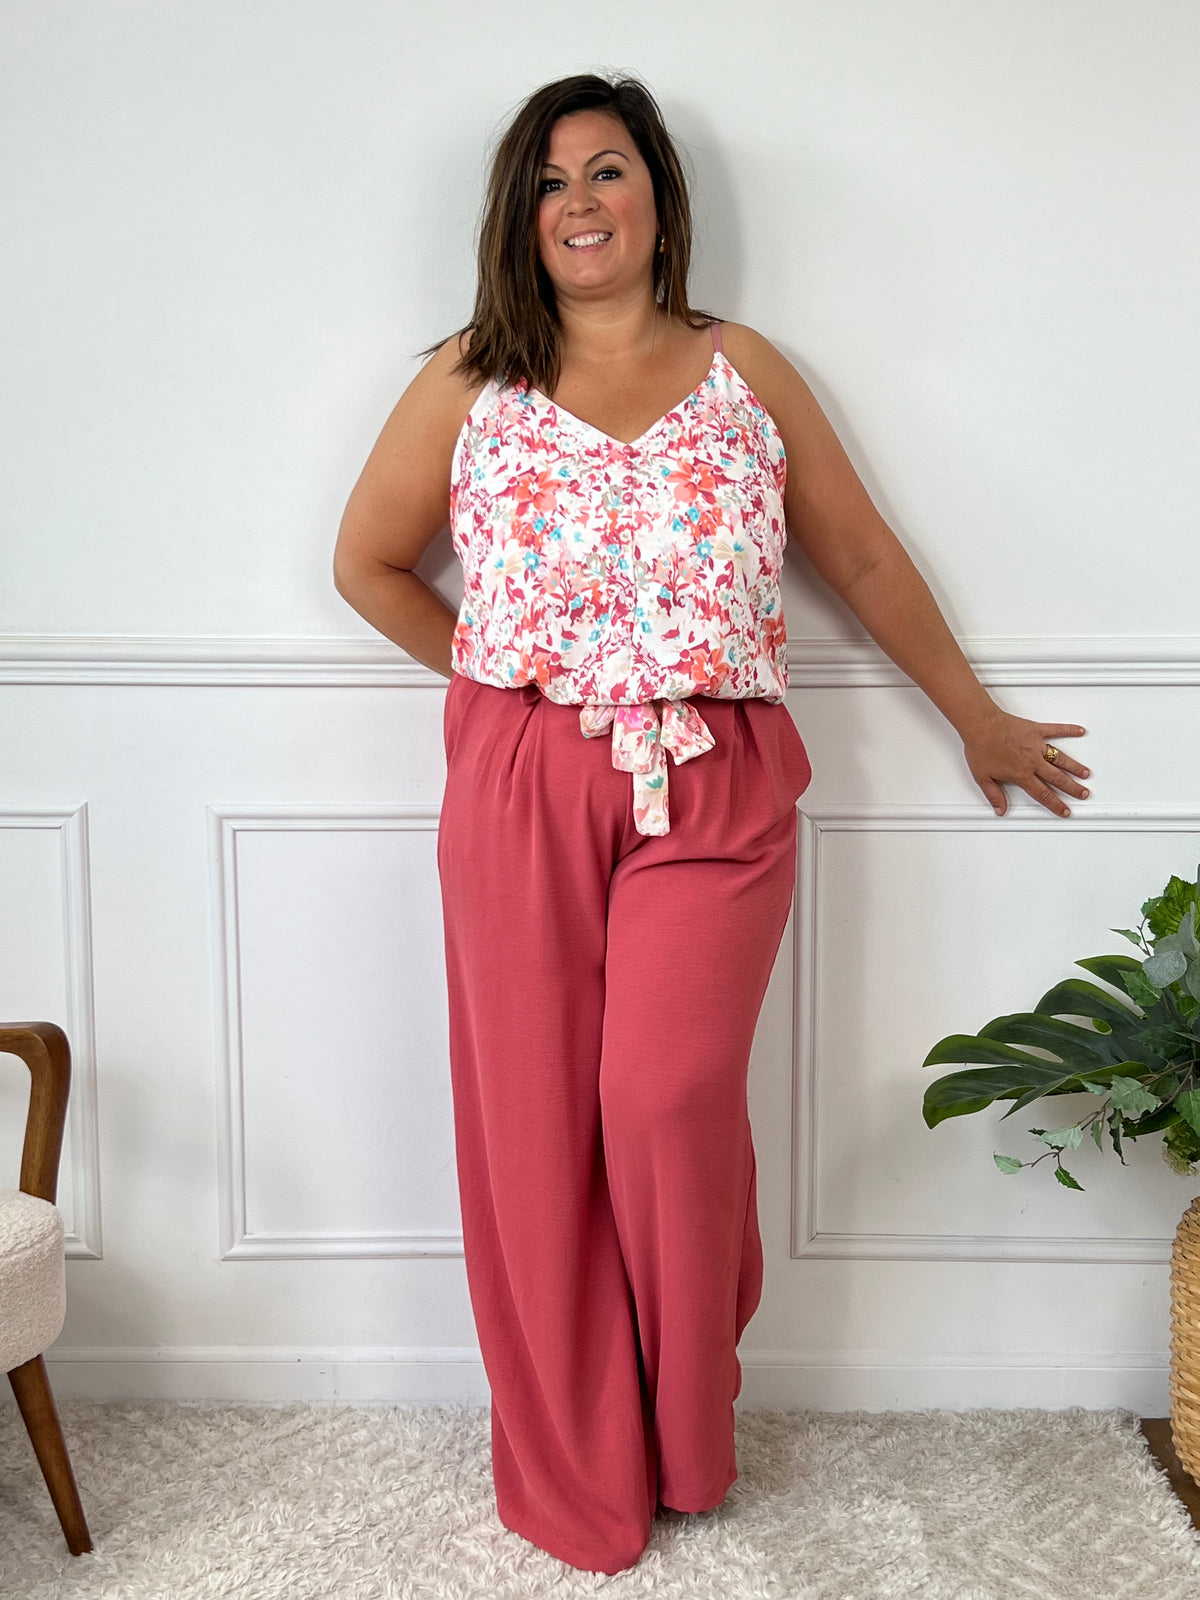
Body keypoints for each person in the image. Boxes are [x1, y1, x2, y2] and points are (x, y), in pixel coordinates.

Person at [332, 71, 1092, 1577]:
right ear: (518, 219)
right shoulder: (469, 379)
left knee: (664, 1096)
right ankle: (578, 1459)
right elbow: (367, 564)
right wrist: (510, 676)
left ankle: (685, 1422)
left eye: (607, 171)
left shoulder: (747, 371)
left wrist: (976, 715)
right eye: (549, 183)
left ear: (659, 198)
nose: (581, 203)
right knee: (533, 1126)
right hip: (524, 769)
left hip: (717, 770)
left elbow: (860, 561)